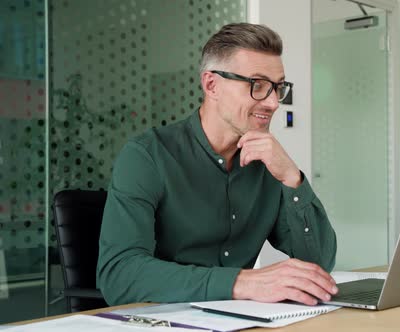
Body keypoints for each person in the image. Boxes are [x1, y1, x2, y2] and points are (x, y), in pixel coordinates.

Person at [96, 23, 338, 306]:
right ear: (211, 84)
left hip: (246, 321)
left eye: (278, 87)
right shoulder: (147, 156)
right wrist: (241, 282)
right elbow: (119, 275)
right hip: (165, 318)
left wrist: (291, 178)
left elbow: (319, 263)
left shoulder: (268, 163)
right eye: (257, 85)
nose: (273, 103)